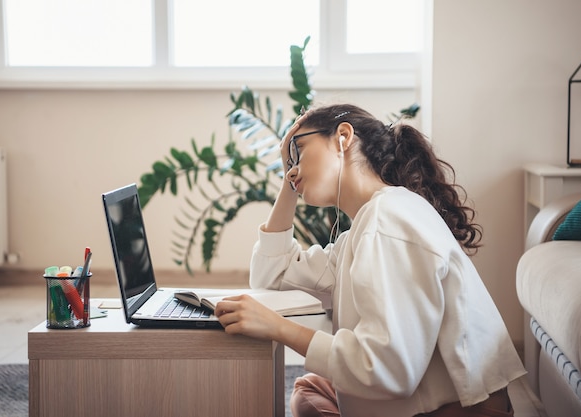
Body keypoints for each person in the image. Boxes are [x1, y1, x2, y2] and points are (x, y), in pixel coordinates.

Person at [214, 103, 526, 417]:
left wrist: (277, 328)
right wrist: (288, 183)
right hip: (425, 400)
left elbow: (390, 368)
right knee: (310, 389)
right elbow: (272, 274)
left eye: (300, 150)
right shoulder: (368, 225)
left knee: (314, 396)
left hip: (458, 411)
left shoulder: (387, 221)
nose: (293, 169)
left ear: (343, 137)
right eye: (289, 162)